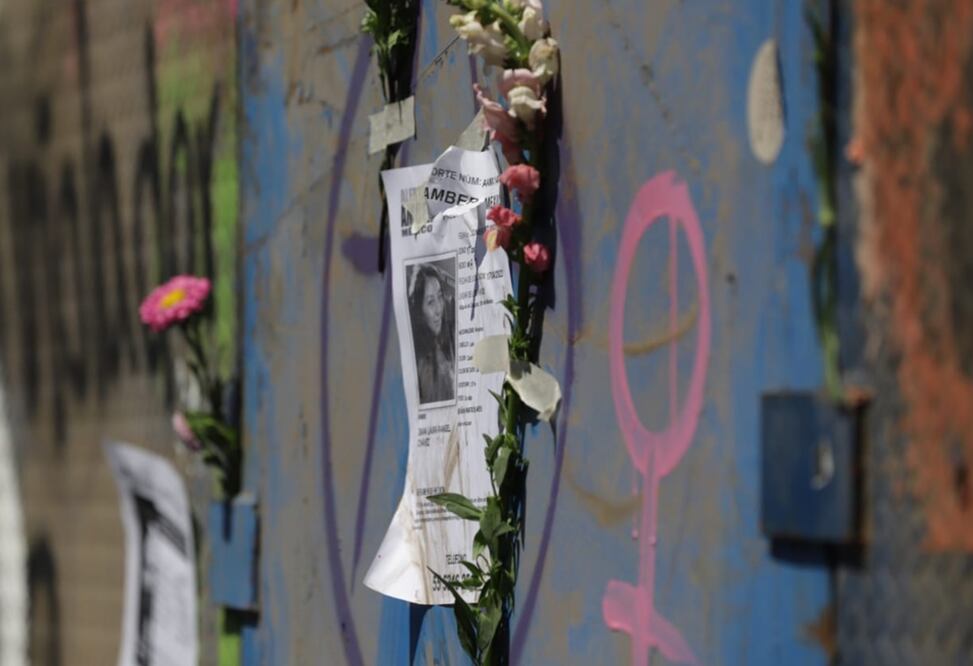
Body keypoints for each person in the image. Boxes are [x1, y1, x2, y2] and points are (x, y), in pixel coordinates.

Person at [408, 263, 455, 404]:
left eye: (440, 297)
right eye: (430, 302)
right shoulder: (422, 362)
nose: (439, 310)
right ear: (419, 310)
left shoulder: (443, 342)